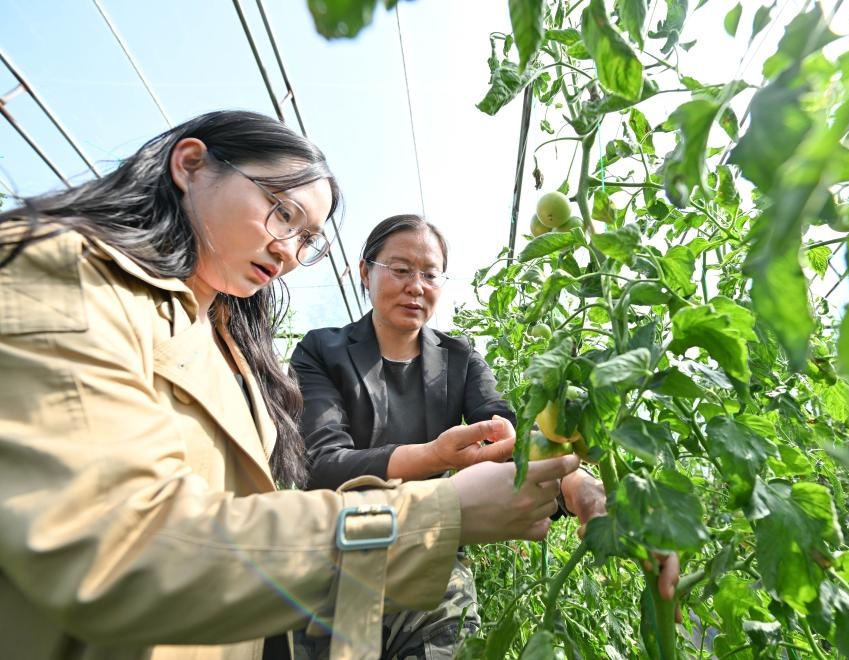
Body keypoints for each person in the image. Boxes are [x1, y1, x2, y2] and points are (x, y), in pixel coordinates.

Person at [0, 110, 580, 660]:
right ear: (191, 164)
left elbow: (506, 426)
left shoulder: (231, 344)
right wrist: (439, 501)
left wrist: (569, 476)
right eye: (281, 212)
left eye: (306, 239)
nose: (289, 252)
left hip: (300, 590)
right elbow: (123, 542)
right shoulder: (69, 277)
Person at [289, 215, 680, 658]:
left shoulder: (459, 358)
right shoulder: (322, 351)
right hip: (341, 550)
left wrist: (581, 488)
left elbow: (507, 435)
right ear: (365, 272)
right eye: (400, 270)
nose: (416, 286)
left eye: (430, 274)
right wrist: (435, 455)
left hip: (431, 556)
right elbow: (320, 465)